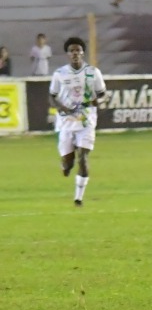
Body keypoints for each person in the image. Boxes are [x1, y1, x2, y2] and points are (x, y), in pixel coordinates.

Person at [49, 37, 106, 206]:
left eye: (78, 50)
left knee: (83, 158)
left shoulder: (93, 72)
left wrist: (99, 102)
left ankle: (78, 198)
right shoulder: (59, 74)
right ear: (68, 54)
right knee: (68, 164)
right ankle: (65, 165)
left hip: (87, 120)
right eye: (72, 51)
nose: (75, 53)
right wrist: (62, 108)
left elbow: (102, 94)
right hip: (66, 122)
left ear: (82, 53)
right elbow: (52, 96)